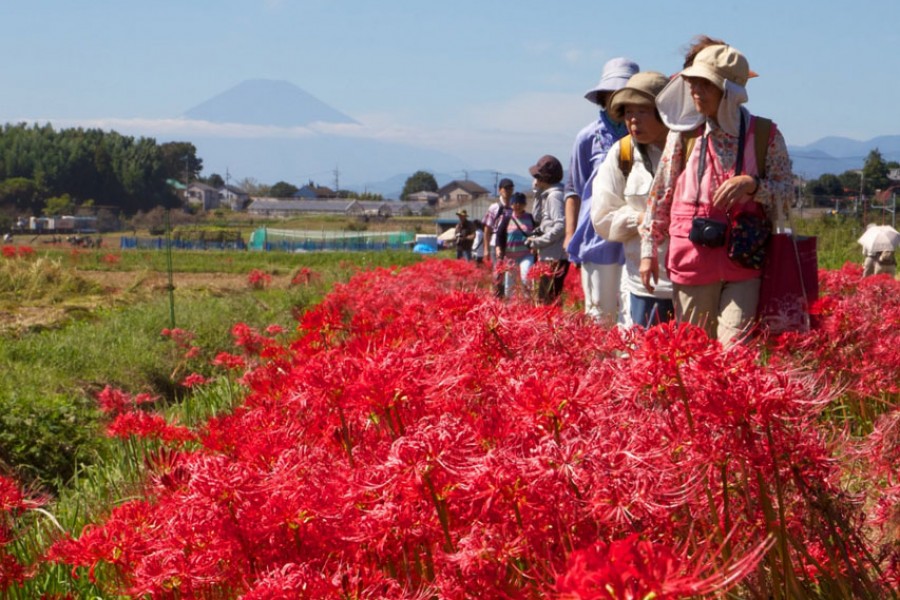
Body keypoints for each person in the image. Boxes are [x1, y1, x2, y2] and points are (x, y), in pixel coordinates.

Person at [639, 44, 793, 346]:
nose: (695, 90)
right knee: (695, 351)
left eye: (705, 84)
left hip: (744, 257)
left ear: (730, 90)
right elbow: (662, 192)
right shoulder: (683, 133)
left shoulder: (764, 134)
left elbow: (787, 192)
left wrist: (753, 185)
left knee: (735, 350)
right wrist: (648, 250)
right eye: (692, 82)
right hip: (692, 258)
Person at [591, 71, 675, 328]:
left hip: (694, 281)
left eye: (643, 111)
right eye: (628, 113)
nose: (633, 120)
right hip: (644, 285)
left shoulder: (691, 146)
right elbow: (602, 217)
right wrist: (642, 218)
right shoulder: (622, 153)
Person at [565, 57, 639, 322]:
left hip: (637, 231)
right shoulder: (588, 137)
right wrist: (570, 233)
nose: (618, 101)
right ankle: (599, 365)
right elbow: (575, 189)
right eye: (613, 94)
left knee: (632, 317)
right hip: (597, 234)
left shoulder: (647, 134)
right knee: (600, 314)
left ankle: (626, 365)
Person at [524, 155, 567, 305]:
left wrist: (539, 242)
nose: (535, 180)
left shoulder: (555, 196)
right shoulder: (548, 195)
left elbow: (561, 225)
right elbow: (537, 217)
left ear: (544, 178)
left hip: (554, 256)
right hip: (549, 255)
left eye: (537, 176)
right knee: (545, 299)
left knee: (548, 301)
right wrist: (536, 193)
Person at [496, 192, 537, 299]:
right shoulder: (506, 218)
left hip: (526, 254)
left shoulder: (530, 218)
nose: (517, 205)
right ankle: (509, 305)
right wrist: (498, 248)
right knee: (510, 282)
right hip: (510, 255)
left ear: (525, 204)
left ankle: (528, 300)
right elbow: (499, 234)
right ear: (511, 204)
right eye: (515, 203)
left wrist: (535, 245)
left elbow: (536, 233)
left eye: (520, 203)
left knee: (526, 277)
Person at [484, 178, 515, 293]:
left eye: (510, 188)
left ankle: (507, 298)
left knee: (510, 273)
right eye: (505, 188)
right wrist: (486, 249)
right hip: (495, 244)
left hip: (511, 244)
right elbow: (487, 229)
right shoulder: (494, 207)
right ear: (500, 190)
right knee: (498, 272)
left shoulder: (514, 207)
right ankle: (497, 297)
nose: (508, 190)